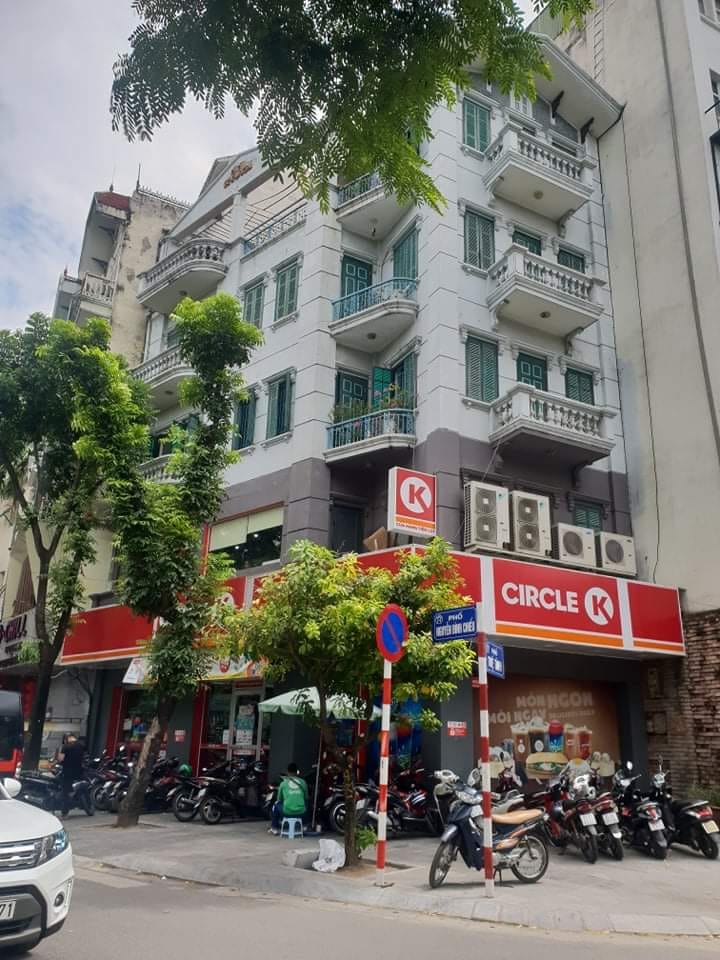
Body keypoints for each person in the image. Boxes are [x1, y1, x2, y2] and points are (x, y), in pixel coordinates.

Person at [269, 763, 308, 835]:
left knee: (276, 805)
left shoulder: (283, 783)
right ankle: (304, 826)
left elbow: (279, 799)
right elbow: (306, 797)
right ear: (297, 771)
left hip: (287, 812)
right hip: (301, 812)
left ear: (287, 772)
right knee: (306, 803)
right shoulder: (303, 782)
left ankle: (274, 828)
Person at [57, 733, 84, 816]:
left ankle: (64, 812)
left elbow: (60, 759)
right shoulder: (81, 745)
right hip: (78, 771)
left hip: (67, 772)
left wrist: (60, 751)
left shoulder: (66, 747)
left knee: (65, 792)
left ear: (66, 739)